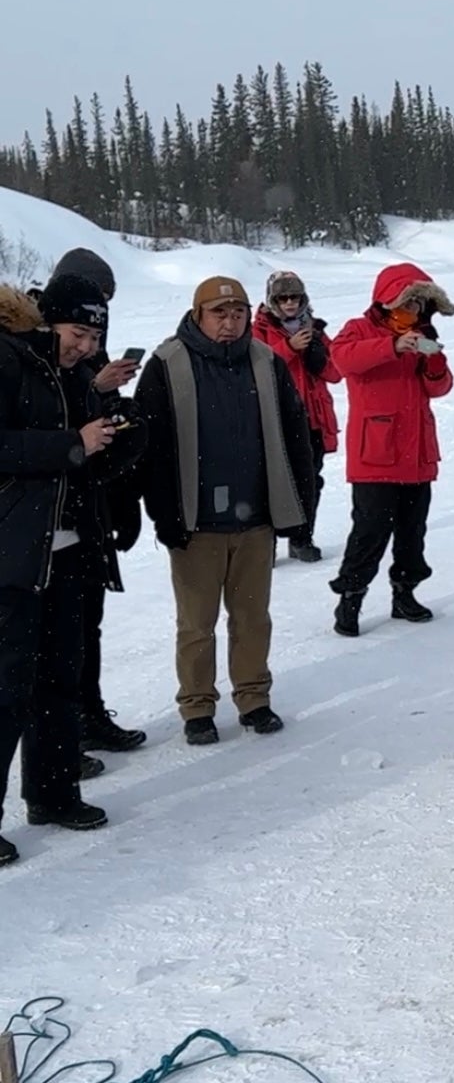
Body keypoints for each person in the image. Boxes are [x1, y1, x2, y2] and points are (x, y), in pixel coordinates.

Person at [0, 275, 145, 865]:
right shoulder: (8, 360)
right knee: (6, 691)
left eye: (93, 337)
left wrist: (119, 443)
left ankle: (54, 794)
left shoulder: (70, 374)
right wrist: (70, 444)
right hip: (13, 554)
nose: (86, 347)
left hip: (68, 551)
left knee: (61, 679)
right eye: (78, 333)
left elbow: (82, 457)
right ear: (47, 321)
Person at [134, 276, 317, 745]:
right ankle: (197, 707)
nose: (229, 322)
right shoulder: (167, 363)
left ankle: (254, 698)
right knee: (197, 624)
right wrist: (165, 515)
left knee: (253, 618)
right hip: (196, 524)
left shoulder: (265, 361)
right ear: (198, 315)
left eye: (237, 313)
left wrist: (297, 508)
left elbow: (296, 435)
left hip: (256, 518)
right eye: (218, 313)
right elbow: (149, 450)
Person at [37, 247, 146, 763]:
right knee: (45, 648)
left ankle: (89, 715)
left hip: (88, 511)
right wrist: (93, 388)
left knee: (85, 625)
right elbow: (53, 427)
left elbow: (93, 434)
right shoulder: (35, 349)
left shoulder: (85, 346)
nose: (86, 342)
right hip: (44, 523)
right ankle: (64, 735)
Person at [329, 264, 454, 636]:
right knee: (369, 533)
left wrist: (434, 362)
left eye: (419, 303)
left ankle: (405, 594)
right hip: (376, 456)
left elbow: (441, 387)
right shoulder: (359, 328)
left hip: (417, 455)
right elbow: (343, 360)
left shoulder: (424, 334)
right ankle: (350, 599)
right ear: (388, 300)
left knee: (412, 534)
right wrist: (391, 346)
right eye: (407, 300)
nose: (413, 309)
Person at [252, 270, 340, 563]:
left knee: (310, 480)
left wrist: (318, 352)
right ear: (272, 300)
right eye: (283, 297)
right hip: (276, 420)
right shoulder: (259, 329)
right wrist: (288, 349)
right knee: (270, 482)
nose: (290, 303)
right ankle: (266, 543)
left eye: (295, 297)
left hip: (313, 419)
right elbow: (254, 367)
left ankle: (303, 538)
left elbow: (337, 373)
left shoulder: (315, 328)